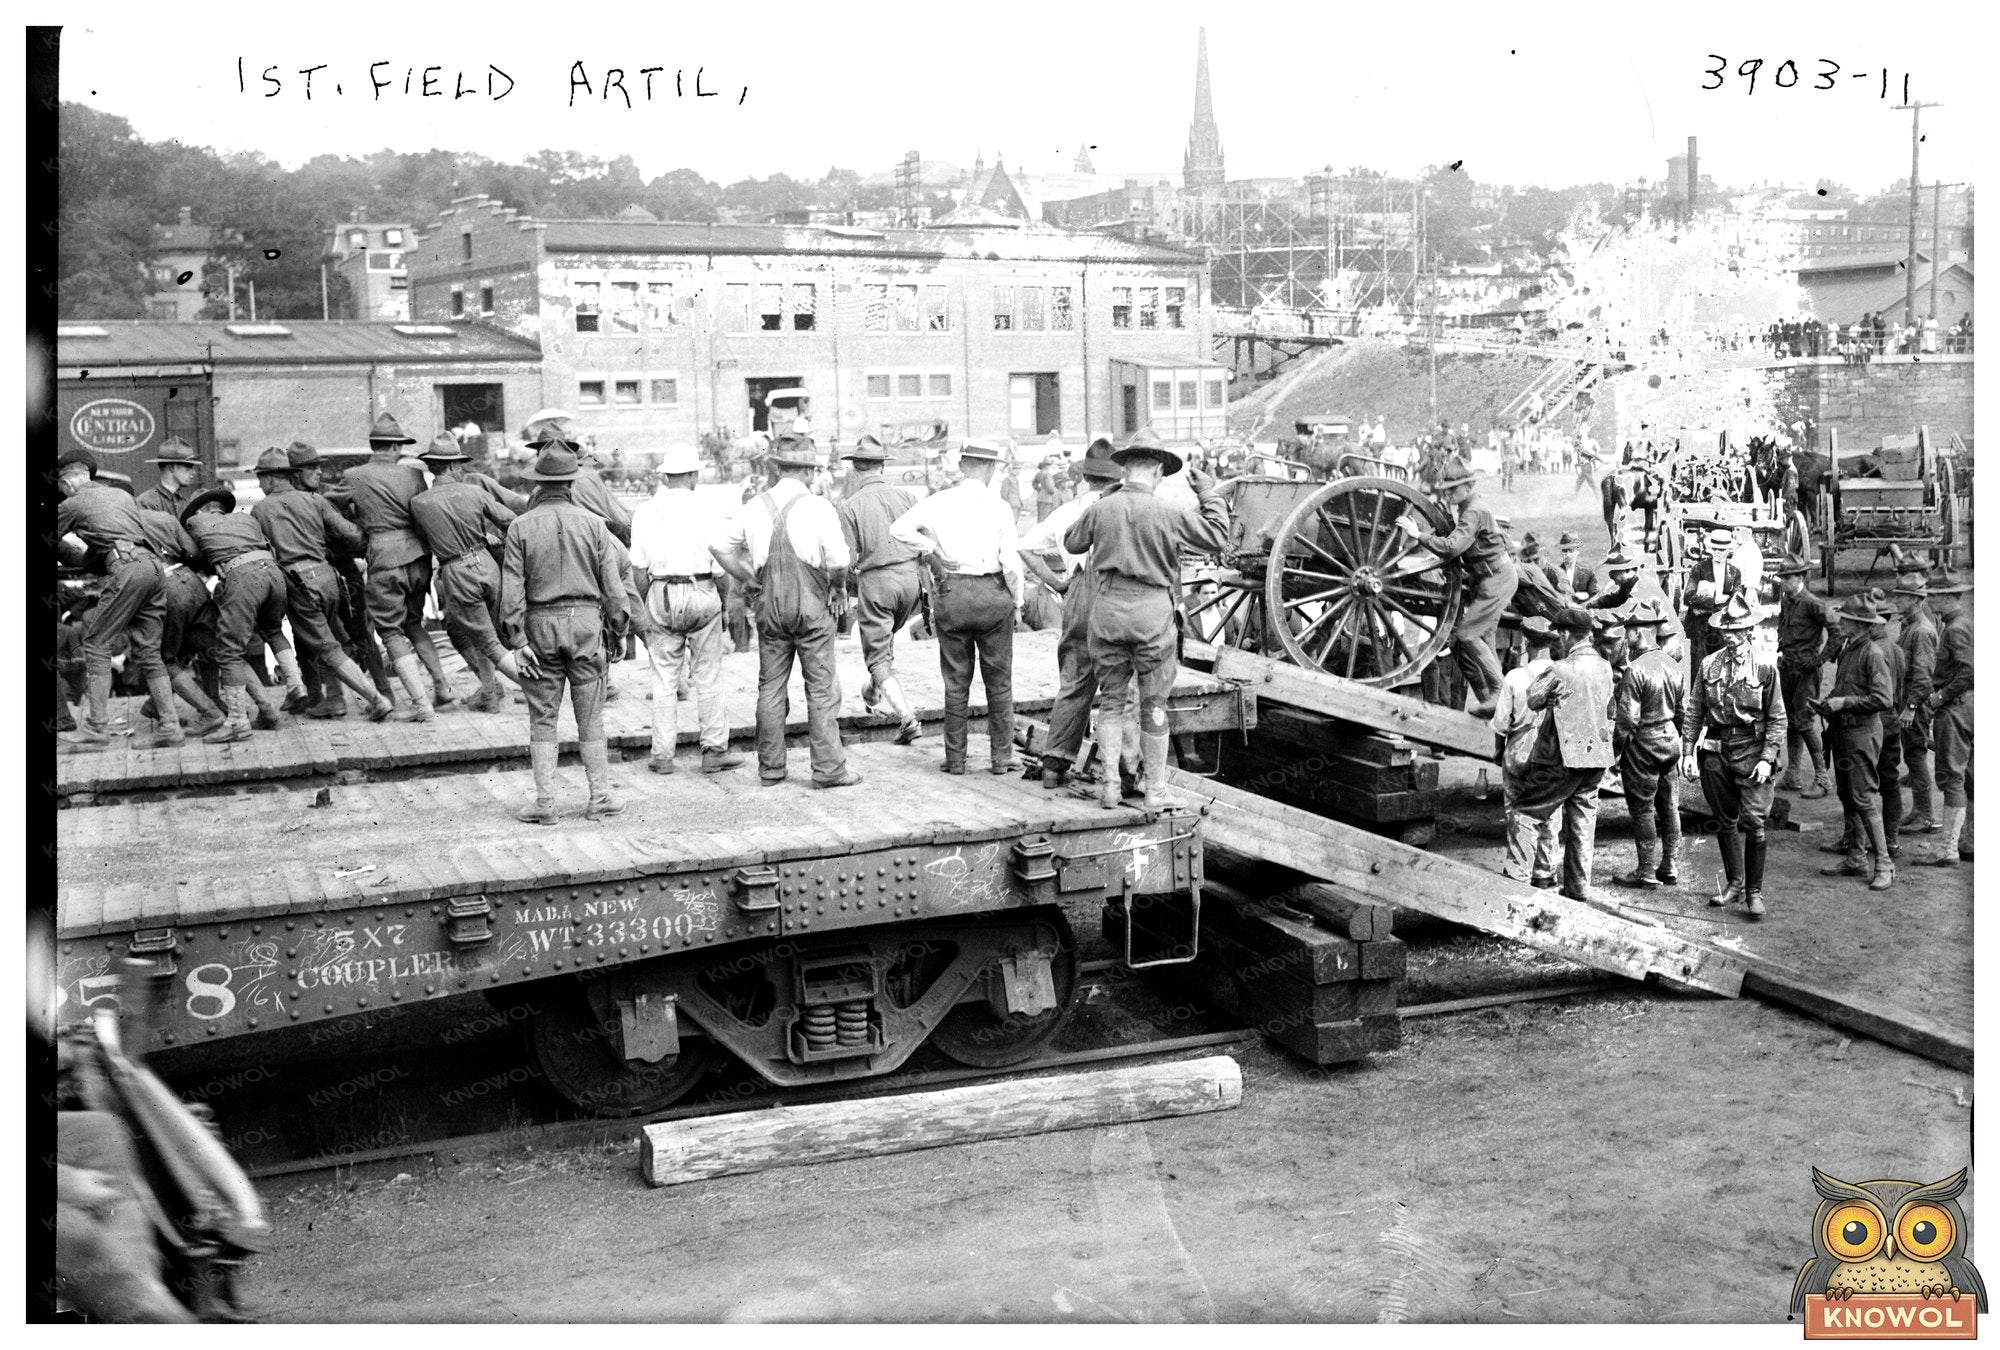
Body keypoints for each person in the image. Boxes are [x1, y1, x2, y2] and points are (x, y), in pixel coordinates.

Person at [1061, 428, 1229, 809]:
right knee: (1154, 705)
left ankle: (1110, 786)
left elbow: (1072, 541)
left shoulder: (1103, 507)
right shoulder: (1169, 513)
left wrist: (1107, 498)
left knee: (1111, 701)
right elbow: (1218, 536)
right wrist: (1208, 494)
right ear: (1157, 471)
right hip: (1152, 616)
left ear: (1124, 470)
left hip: (1108, 614)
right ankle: (1155, 791)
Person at [710, 434, 862, 790]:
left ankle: (771, 769)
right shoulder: (819, 507)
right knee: (821, 689)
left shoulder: (753, 506)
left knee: (771, 687)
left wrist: (747, 578)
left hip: (770, 608)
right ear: (808, 472)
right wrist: (839, 587)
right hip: (812, 608)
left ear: (778, 469)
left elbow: (718, 546)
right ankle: (828, 770)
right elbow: (839, 561)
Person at [499, 441, 631, 822]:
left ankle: (545, 804)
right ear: (572, 483)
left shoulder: (520, 527)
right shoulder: (594, 525)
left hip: (539, 627)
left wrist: (517, 641)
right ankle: (599, 797)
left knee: (542, 717)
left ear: (538, 484)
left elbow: (512, 589)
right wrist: (619, 630)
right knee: (591, 717)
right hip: (586, 627)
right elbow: (614, 590)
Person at [890, 438, 1025, 776]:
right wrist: (1018, 600)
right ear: (991, 469)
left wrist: (930, 547)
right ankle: (1001, 757)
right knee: (999, 681)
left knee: (955, 681)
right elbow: (1011, 563)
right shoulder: (1000, 507)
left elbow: (897, 528)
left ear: (963, 466)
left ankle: (955, 760)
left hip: (952, 593)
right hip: (992, 593)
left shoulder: (938, 501)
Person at [249, 447, 397, 724]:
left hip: (299, 585)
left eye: (260, 479)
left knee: (328, 648)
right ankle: (334, 698)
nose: (259, 484)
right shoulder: (315, 500)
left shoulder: (260, 510)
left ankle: (377, 700)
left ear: (268, 478)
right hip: (330, 579)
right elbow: (352, 534)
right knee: (328, 639)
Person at [628, 442, 745, 776]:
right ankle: (714, 750)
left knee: (664, 679)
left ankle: (663, 755)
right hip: (702, 589)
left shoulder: (645, 511)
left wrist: (647, 603)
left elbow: (638, 569)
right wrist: (722, 605)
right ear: (693, 475)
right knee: (708, 675)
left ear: (666, 476)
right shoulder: (709, 509)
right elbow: (721, 569)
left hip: (661, 591)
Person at [54, 452, 182, 749]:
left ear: (66, 483)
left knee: (96, 644)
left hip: (126, 570)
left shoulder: (72, 503)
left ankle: (96, 728)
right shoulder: (121, 497)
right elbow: (102, 550)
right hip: (152, 569)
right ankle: (170, 727)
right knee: (149, 652)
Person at [1016, 442, 1125, 789]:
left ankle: (1053, 768)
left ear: (1084, 478)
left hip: (1078, 592)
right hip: (1116, 594)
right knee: (1120, 687)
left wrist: (1058, 584)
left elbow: (1025, 547)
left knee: (1075, 683)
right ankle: (1121, 774)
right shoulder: (1124, 507)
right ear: (1117, 477)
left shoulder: (1067, 512)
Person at [346, 412, 458, 719]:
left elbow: (338, 515)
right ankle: (443, 688)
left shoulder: (353, 475)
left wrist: (362, 538)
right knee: (413, 623)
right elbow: (423, 514)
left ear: (375, 445)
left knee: (390, 631)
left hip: (384, 558)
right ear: (396, 446)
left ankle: (421, 705)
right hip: (418, 557)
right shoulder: (414, 475)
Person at [1683, 592, 1786, 917]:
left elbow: (1777, 718)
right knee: (1724, 820)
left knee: (1754, 822)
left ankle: (1754, 893)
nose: (1730, 636)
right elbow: (1695, 710)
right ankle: (1734, 884)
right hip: (1716, 750)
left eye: (1737, 630)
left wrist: (1767, 758)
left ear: (1749, 630)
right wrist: (1688, 751)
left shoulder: (1765, 666)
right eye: (1726, 630)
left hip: (1753, 752)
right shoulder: (1709, 664)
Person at [410, 438, 528, 715]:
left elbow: (424, 538)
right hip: (487, 564)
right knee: (483, 633)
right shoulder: (474, 491)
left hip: (457, 571)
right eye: (459, 465)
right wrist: (494, 539)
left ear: (431, 467)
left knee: (485, 639)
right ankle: (490, 691)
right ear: (452, 465)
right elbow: (511, 520)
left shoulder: (419, 503)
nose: (462, 470)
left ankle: (537, 688)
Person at [180, 486, 297, 741]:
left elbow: (192, 555)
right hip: (273, 574)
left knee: (229, 652)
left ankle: (236, 723)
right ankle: (292, 688)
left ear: (199, 511)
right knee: (273, 630)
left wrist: (213, 563)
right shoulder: (245, 519)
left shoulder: (195, 522)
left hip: (242, 578)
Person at [1403, 454, 1516, 718]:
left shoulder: (1474, 510)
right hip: (1487, 578)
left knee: (1467, 634)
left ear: (1468, 486)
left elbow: (1453, 547)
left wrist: (1418, 535)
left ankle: (1498, 692)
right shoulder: (1466, 507)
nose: (1448, 493)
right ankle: (1493, 701)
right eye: (1447, 489)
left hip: (1496, 579)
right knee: (1484, 638)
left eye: (1453, 489)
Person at [1518, 612, 1620, 901]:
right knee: (1582, 825)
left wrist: (1553, 698)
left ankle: (1517, 881)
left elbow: (1533, 698)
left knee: (1526, 813)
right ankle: (1577, 890)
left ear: (1565, 634)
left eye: (1559, 635)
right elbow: (1609, 706)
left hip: (1563, 759)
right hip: (1597, 759)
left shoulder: (1560, 669)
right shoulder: (1605, 667)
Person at [288, 441, 394, 716]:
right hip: (317, 575)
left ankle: (384, 692)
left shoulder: (329, 496)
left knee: (360, 633)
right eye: (311, 468)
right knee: (313, 638)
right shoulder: (300, 500)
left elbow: (355, 532)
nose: (319, 472)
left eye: (318, 467)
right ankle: (326, 696)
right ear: (295, 474)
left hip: (343, 573)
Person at [837, 435, 924, 746]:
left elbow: (847, 559)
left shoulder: (849, 505)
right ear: (882, 467)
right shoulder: (907, 497)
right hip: (910, 581)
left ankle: (907, 717)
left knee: (877, 655)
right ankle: (874, 690)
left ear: (855, 470)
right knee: (885, 644)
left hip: (877, 582)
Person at [1814, 595, 1897, 892]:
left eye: (1846, 619)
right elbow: (1844, 687)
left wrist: (1845, 702)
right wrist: (1829, 703)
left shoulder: (1872, 654)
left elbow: (1884, 699)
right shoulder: (1849, 648)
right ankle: (1856, 857)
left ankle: (1884, 864)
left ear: (1860, 625)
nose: (1841, 623)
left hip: (1862, 733)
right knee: (1848, 796)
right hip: (1844, 731)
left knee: (1863, 798)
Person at [1609, 599, 1684, 888]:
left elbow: (1627, 719)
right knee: (1670, 807)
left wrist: (1616, 751)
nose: (1625, 638)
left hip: (1643, 746)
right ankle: (1670, 866)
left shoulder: (1636, 670)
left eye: (1628, 632)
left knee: (1642, 810)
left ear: (1639, 632)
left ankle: (1646, 871)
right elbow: (1682, 712)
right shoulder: (1672, 665)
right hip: (1669, 742)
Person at [1492, 614, 1561, 887]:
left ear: (1527, 643)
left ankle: (1518, 870)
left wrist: (1499, 752)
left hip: (1519, 749)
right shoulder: (1563, 674)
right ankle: (1545, 872)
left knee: (1516, 810)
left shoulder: (1515, 677)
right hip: (1551, 751)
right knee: (1550, 810)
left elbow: (1501, 723)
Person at [1771, 554, 1837, 798]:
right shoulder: (1788, 600)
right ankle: (1793, 773)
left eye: (1787, 578)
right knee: (1792, 721)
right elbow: (1783, 626)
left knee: (1805, 722)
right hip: (1788, 667)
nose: (1783, 582)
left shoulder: (1812, 603)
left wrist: (1819, 660)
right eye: (1782, 578)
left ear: (1800, 577)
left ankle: (1822, 778)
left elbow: (1837, 632)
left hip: (1806, 671)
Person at [1917, 579, 1973, 866]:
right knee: (1972, 776)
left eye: (1937, 595)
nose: (1931, 600)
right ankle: (1969, 841)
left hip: (1957, 707)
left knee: (1952, 778)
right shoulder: (1966, 622)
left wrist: (1940, 696)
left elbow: (1968, 671)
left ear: (1951, 597)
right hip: (1971, 705)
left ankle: (1948, 849)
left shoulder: (1954, 629)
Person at [1889, 570, 1941, 833]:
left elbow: (1923, 676)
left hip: (1916, 703)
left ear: (1915, 600)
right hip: (1909, 699)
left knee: (1916, 756)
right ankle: (1920, 810)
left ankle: (1926, 815)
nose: (1896, 600)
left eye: (1902, 596)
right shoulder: (1910, 627)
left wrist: (1910, 707)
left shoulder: (1920, 631)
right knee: (1913, 755)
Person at [1679, 526, 1742, 674]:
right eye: (1715, 549)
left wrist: (1727, 608)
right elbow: (1688, 598)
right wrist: (1714, 601)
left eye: (1722, 550)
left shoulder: (1734, 572)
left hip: (1722, 626)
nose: (1718, 553)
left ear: (1729, 550)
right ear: (1711, 549)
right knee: (1699, 667)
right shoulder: (1699, 569)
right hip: (1699, 627)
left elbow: (1737, 598)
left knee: (1722, 667)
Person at [135, 437, 203, 517]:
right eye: (188, 466)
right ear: (172, 467)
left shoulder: (185, 504)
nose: (193, 472)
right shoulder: (146, 503)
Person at [1543, 531, 1596, 606]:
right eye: (1564, 551)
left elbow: (1596, 598)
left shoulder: (1588, 574)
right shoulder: (1552, 574)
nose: (1567, 555)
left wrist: (1586, 597)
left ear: (1578, 551)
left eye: (1570, 550)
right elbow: (1547, 598)